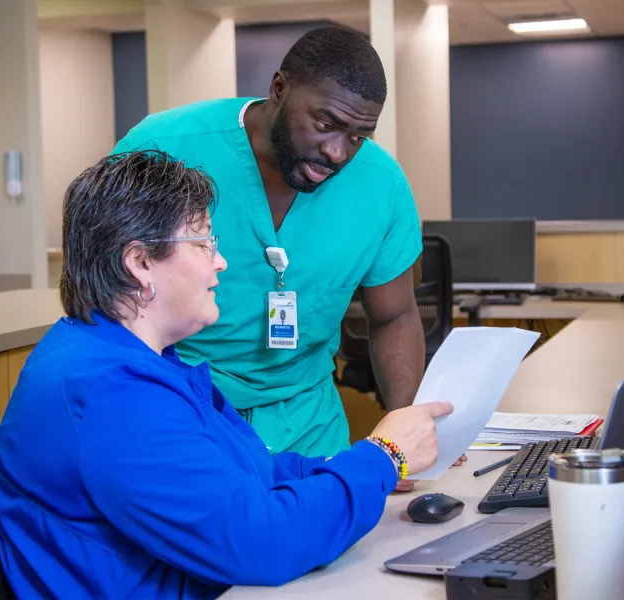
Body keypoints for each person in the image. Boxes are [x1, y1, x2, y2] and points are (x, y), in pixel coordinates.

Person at [0, 150, 454, 599]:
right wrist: (383, 456)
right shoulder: (114, 395)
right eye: (204, 242)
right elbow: (261, 543)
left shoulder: (129, 360)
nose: (219, 261)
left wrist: (360, 469)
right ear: (140, 262)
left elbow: (255, 471)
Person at [109, 25, 442, 465]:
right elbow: (107, 305)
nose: (339, 152)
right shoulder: (160, 151)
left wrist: (406, 432)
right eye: (327, 124)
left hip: (307, 431)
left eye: (359, 136)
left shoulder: (380, 186)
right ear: (279, 88)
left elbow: (395, 316)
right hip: (183, 416)